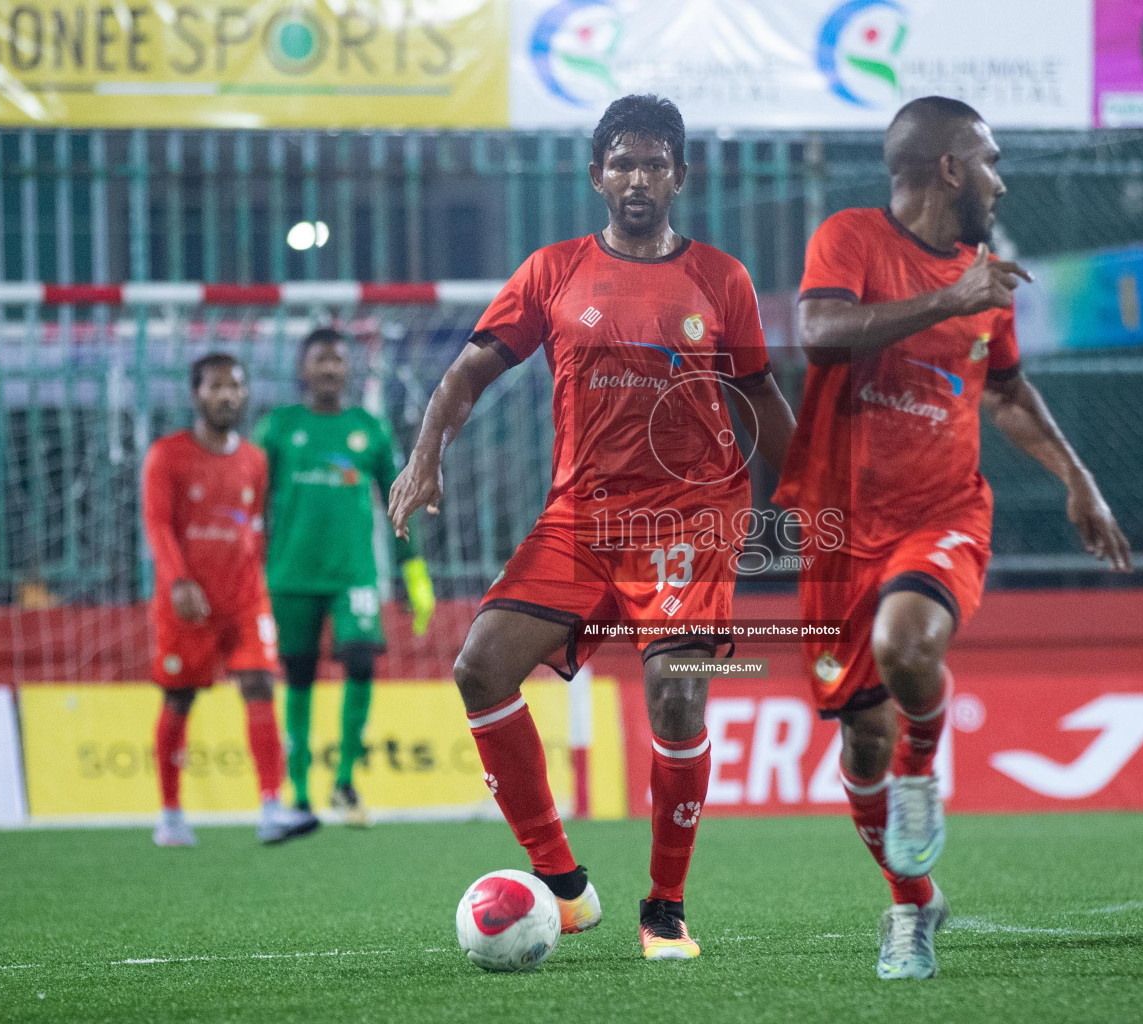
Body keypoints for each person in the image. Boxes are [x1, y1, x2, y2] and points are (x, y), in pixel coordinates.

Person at [389, 94, 795, 960]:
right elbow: (464, 375)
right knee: (479, 668)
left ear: (679, 176)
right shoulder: (552, 272)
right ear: (596, 176)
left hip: (692, 517)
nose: (638, 177)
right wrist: (426, 456)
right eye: (623, 162)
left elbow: (758, 394)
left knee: (678, 693)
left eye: (655, 162)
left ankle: (666, 909)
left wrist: (810, 489)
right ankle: (564, 885)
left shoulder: (722, 280)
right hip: (581, 517)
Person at [773, 96, 1132, 979]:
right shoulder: (853, 238)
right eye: (992, 161)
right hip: (839, 534)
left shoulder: (986, 278)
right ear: (949, 168)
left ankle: (923, 770)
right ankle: (913, 907)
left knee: (906, 646)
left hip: (943, 514)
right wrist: (948, 296)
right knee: (860, 741)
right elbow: (817, 337)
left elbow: (1005, 391)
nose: (1001, 181)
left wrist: (1076, 478)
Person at [254, 327, 436, 827]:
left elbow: (400, 503)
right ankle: (298, 793)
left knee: (360, 660)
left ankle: (347, 783)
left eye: (337, 360)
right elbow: (246, 496)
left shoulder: (369, 430)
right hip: (290, 575)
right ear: (303, 369)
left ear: (348, 369)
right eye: (320, 360)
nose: (330, 369)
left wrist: (413, 571)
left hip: (354, 574)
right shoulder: (276, 429)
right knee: (299, 676)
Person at [141, 352, 320, 847]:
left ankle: (270, 807)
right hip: (187, 600)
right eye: (216, 386)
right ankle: (171, 814)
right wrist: (178, 582)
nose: (227, 395)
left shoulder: (254, 461)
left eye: (235, 386)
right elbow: (157, 525)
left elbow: (252, 528)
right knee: (180, 695)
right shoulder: (166, 455)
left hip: (243, 597)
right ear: (196, 394)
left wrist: (258, 581)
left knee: (260, 682)